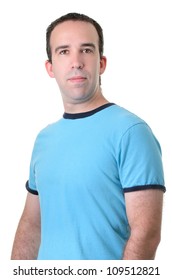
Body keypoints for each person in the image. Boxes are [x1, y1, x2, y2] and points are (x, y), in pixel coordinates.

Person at [11, 12, 165, 260]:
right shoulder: (44, 140)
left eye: (86, 50)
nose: (76, 62)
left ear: (101, 63)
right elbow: (32, 225)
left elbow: (146, 233)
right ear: (50, 67)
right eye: (64, 51)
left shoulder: (131, 132)